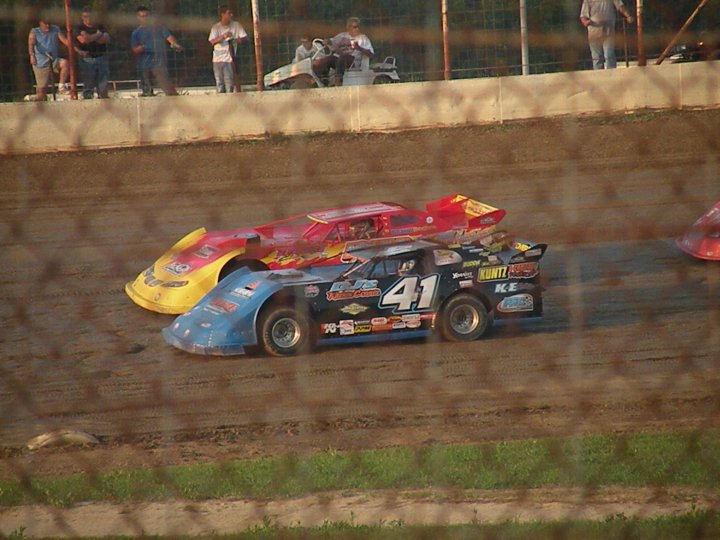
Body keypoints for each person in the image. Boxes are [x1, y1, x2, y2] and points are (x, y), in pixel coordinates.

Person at [131, 5, 183, 97]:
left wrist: (174, 44)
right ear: (138, 17)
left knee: (168, 88)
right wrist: (143, 47)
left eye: (146, 16)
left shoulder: (158, 28)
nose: (145, 19)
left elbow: (169, 37)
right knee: (147, 91)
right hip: (144, 64)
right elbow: (135, 49)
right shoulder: (136, 33)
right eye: (142, 16)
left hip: (159, 63)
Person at [313, 17, 373, 86]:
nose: (357, 29)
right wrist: (327, 41)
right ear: (348, 27)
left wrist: (359, 48)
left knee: (343, 58)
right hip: (338, 59)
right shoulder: (342, 36)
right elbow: (332, 42)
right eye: (355, 27)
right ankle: (324, 82)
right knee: (326, 60)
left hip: (353, 61)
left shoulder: (363, 38)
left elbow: (371, 54)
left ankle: (338, 82)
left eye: (358, 27)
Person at [579, 0, 634, 70]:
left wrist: (628, 16)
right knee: (597, 57)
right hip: (594, 32)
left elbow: (620, 6)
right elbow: (583, 16)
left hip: (608, 31)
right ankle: (598, 75)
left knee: (609, 55)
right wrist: (586, 22)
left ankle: (611, 74)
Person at [28, 15, 70, 100]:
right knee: (41, 93)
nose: (48, 26)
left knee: (65, 63)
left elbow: (65, 41)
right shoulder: (34, 32)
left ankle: (61, 87)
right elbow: (31, 44)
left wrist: (76, 49)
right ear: (40, 23)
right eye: (45, 24)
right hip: (40, 63)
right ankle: (33, 98)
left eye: (49, 24)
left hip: (53, 60)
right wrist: (32, 55)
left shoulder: (55, 29)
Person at [208, 5, 247, 93]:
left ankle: (229, 98)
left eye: (231, 13)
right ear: (222, 14)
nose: (231, 15)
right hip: (217, 59)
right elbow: (212, 41)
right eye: (228, 13)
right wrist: (223, 37)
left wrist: (236, 40)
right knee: (219, 83)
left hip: (230, 59)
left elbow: (244, 37)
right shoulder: (216, 27)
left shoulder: (236, 25)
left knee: (229, 82)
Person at [75, 7, 110, 99]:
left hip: (101, 56)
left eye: (90, 17)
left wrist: (90, 37)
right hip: (87, 58)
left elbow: (106, 39)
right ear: (82, 17)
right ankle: (88, 99)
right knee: (88, 82)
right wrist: (98, 35)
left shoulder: (100, 26)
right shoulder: (79, 28)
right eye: (85, 17)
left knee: (103, 82)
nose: (88, 19)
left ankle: (103, 98)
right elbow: (84, 40)